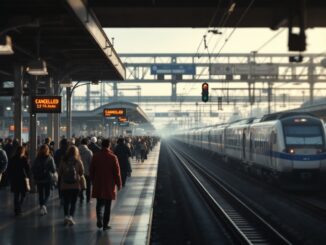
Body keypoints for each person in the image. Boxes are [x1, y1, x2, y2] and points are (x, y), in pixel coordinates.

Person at [90, 139, 122, 230]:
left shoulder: (95, 156)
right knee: (108, 205)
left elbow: (91, 170)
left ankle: (99, 220)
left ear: (101, 145)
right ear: (109, 146)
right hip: (109, 184)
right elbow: (117, 173)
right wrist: (119, 184)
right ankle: (105, 224)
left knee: (99, 204)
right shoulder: (113, 157)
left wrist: (93, 180)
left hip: (98, 183)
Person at [58, 145, 84, 226]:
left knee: (66, 202)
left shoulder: (63, 160)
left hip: (65, 185)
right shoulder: (78, 161)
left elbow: (60, 172)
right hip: (75, 185)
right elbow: (82, 172)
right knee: (73, 202)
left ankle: (66, 216)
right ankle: (71, 217)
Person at [32, 144, 56, 216]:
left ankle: (41, 207)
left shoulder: (37, 158)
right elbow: (53, 169)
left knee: (41, 194)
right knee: (47, 194)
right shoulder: (50, 158)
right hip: (47, 178)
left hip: (39, 179)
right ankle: (44, 206)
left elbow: (33, 168)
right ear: (47, 150)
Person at [8, 145, 30, 216]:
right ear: (23, 151)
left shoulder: (12, 159)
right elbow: (27, 169)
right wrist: (28, 177)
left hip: (14, 179)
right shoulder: (24, 159)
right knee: (23, 194)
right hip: (22, 179)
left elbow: (9, 169)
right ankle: (18, 207)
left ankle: (16, 208)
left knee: (16, 194)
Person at [78, 138, 93, 204]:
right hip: (87, 172)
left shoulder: (76, 151)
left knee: (80, 185)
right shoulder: (89, 152)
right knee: (88, 185)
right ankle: (88, 198)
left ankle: (81, 197)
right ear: (87, 143)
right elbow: (91, 163)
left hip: (79, 172)